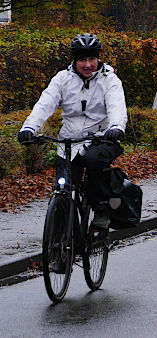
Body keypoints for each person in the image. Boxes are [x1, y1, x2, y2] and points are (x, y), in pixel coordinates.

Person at [17, 33, 127, 234]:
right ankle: (62, 239)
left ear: (98, 58)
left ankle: (101, 210)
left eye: (92, 59)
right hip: (68, 141)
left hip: (100, 138)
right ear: (74, 60)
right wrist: (29, 128)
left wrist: (116, 127)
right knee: (64, 187)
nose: (87, 65)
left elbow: (116, 106)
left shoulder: (109, 79)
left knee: (95, 161)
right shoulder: (63, 79)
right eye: (82, 60)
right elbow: (45, 104)